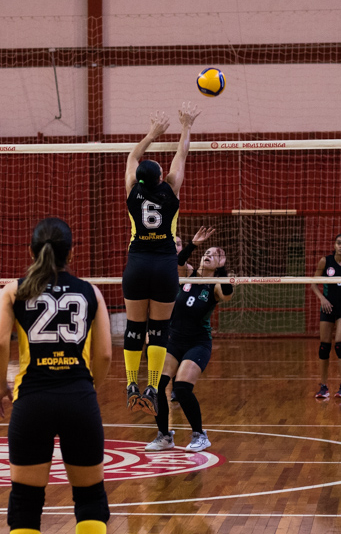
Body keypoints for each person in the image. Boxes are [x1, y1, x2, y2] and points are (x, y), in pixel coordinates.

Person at [0, 218, 112, 534]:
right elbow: (104, 355)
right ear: (71, 253)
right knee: (90, 500)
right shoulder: (91, 292)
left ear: (31, 252)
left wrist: (1, 385)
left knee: (25, 504)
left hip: (32, 401)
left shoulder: (13, 291)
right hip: (79, 398)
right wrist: (89, 388)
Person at [122, 102, 200, 416]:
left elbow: (132, 158)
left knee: (134, 326)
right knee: (159, 328)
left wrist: (152, 134)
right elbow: (182, 154)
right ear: (160, 177)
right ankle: (153, 386)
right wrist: (186, 125)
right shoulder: (171, 190)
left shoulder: (132, 190)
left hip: (138, 263)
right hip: (166, 264)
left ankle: (131, 383)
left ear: (139, 180)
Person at [145, 226, 230, 453]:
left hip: (198, 343)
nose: (209, 254)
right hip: (174, 340)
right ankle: (164, 436)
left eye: (216, 254)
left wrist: (226, 274)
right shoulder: (187, 273)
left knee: (182, 388)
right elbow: (178, 261)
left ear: (220, 264)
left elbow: (227, 294)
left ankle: (200, 435)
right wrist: (193, 244)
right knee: (157, 386)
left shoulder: (216, 285)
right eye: (207, 252)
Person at [311, 233, 341, 401]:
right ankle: (323, 386)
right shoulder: (325, 261)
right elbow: (313, 283)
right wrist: (322, 299)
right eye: (339, 243)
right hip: (327, 307)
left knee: (340, 345)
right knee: (324, 347)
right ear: (334, 245)